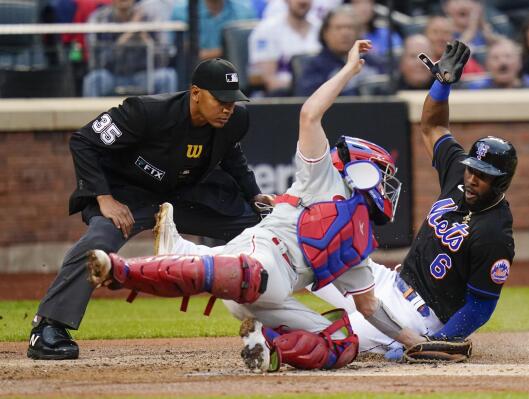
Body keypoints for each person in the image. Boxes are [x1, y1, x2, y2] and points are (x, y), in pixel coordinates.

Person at [86, 40, 430, 372]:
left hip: (272, 298)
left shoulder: (356, 243)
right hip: (260, 262)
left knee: (343, 343)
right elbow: (310, 114)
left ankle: (268, 347)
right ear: (362, 169)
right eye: (381, 175)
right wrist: (349, 70)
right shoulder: (322, 177)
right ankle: (121, 271)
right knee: (255, 275)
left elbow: (369, 307)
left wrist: (417, 343)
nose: (386, 186)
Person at [27, 58, 273, 360]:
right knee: (101, 239)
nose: (228, 107)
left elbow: (232, 159)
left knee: (260, 226)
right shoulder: (146, 111)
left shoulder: (235, 120)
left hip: (184, 195)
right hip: (128, 195)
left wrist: (255, 196)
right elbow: (83, 141)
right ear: (196, 92)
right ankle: (49, 327)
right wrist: (104, 198)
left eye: (233, 100)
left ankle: (289, 317)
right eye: (220, 99)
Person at [314, 40, 518, 358]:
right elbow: (433, 125)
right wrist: (441, 86)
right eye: (472, 169)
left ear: (502, 181)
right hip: (388, 282)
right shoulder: (458, 177)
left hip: (415, 317)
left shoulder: (495, 233)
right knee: (314, 252)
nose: (473, 177)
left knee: (322, 342)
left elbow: (480, 308)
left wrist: (437, 342)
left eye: (484, 175)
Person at [82, 0, 178, 96]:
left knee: (167, 76)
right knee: (93, 80)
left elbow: (163, 59)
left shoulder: (149, 16)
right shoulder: (99, 18)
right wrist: (129, 32)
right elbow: (98, 61)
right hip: (112, 76)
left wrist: (145, 37)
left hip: (144, 75)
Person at [295, 6, 385, 96]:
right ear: (325, 33)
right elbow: (309, 101)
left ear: (359, 32)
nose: (345, 33)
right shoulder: (314, 67)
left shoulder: (373, 62)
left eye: (350, 27)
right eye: (339, 28)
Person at [248, 0, 321, 96]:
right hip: (282, 96)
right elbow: (269, 80)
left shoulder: (320, 27)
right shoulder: (267, 29)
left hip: (318, 93)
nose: (303, 1)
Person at [171, 0, 255, 60]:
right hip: (192, 73)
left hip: (234, 70)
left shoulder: (244, 11)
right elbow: (186, 54)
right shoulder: (181, 11)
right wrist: (227, 51)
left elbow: (250, 50)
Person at [465, 38, 529, 90]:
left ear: (520, 63)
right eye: (495, 58)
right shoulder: (477, 90)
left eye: (508, 56)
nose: (503, 62)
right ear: (487, 65)